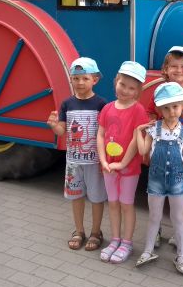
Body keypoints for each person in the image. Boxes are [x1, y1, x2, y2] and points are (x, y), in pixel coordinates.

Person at [136, 82, 183, 274]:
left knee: (177, 219)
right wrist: (137, 132)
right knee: (154, 217)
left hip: (177, 182)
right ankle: (147, 251)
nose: (171, 111)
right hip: (156, 181)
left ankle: (181, 255)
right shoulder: (154, 129)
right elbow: (143, 150)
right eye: (166, 108)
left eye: (175, 106)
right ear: (159, 110)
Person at [47, 57, 107, 252]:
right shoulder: (67, 104)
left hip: (94, 162)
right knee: (76, 196)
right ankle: (79, 231)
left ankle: (96, 232)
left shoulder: (101, 104)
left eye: (85, 78)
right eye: (76, 78)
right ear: (71, 79)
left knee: (97, 198)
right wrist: (54, 125)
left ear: (95, 80)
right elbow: (62, 131)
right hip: (73, 162)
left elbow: (105, 133)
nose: (80, 82)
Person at [146, 46, 183, 248]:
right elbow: (151, 114)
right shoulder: (159, 93)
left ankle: (179, 232)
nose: (179, 70)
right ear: (166, 69)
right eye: (174, 66)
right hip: (161, 153)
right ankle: (156, 230)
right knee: (157, 193)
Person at [97, 61, 149, 263]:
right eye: (122, 84)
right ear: (116, 81)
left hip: (128, 168)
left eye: (131, 88)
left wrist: (122, 163)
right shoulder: (107, 108)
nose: (125, 90)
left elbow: (136, 141)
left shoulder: (138, 110)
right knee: (112, 203)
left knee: (126, 204)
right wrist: (103, 160)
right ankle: (115, 240)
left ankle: (126, 243)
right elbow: (101, 135)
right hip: (108, 166)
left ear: (138, 91)